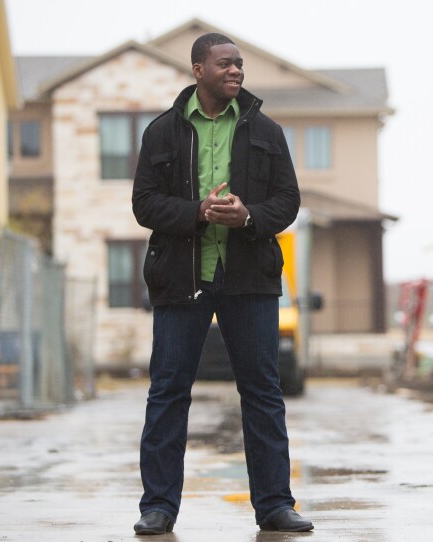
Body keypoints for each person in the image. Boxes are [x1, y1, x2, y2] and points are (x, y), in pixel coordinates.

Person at [131, 32, 312, 535]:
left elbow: (288, 201)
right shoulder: (161, 132)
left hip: (249, 278)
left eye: (239, 64)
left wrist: (249, 216)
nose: (235, 71)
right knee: (168, 392)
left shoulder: (267, 131)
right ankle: (158, 507)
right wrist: (197, 211)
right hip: (180, 278)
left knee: (262, 392)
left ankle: (275, 504)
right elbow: (144, 203)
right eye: (224, 64)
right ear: (198, 70)